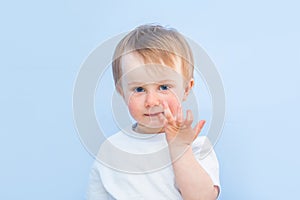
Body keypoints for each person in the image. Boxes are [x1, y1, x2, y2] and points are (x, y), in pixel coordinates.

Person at [87, 24, 220, 199]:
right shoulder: (111, 150)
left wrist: (180, 148)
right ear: (121, 91)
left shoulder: (196, 145)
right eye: (139, 89)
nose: (151, 101)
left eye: (163, 87)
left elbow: (203, 197)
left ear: (187, 89)